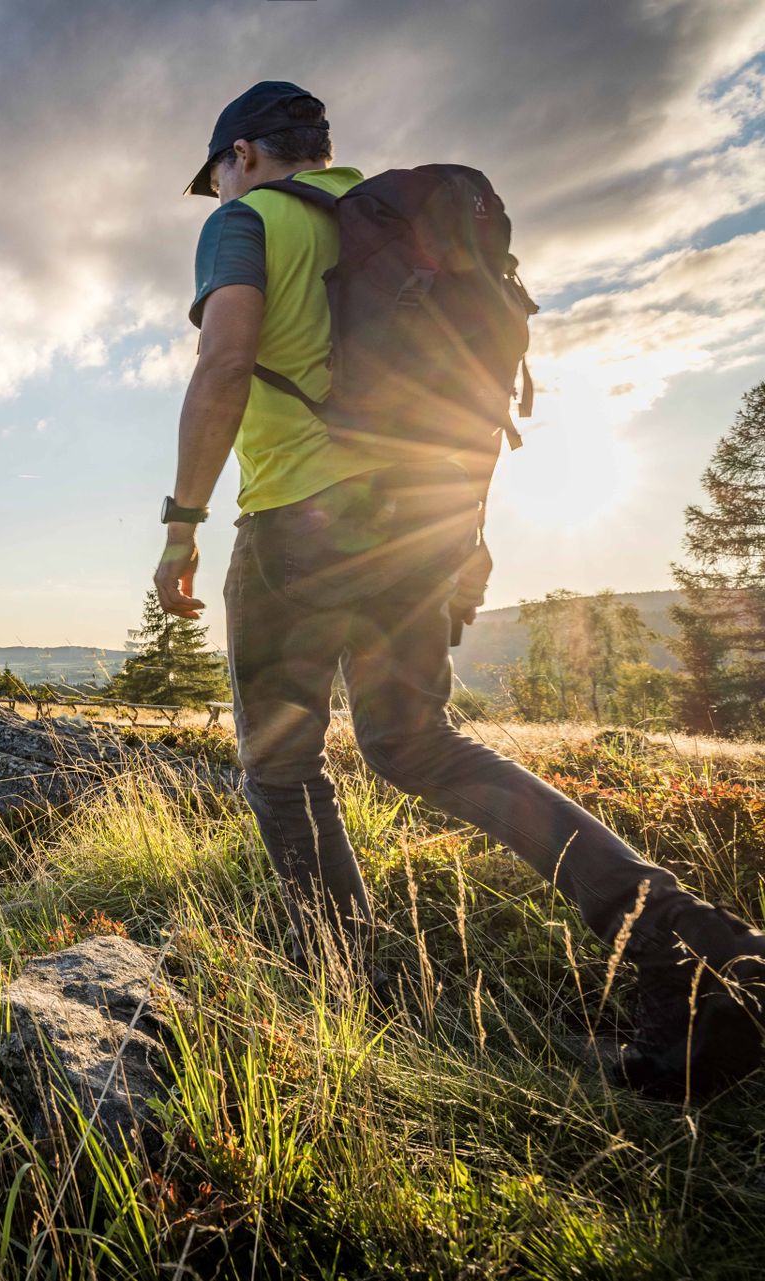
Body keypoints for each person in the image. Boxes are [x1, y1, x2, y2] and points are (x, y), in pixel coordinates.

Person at [153, 80, 765, 1099]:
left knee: (281, 767)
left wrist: (182, 522)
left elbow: (223, 366)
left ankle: (350, 997)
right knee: (416, 746)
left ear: (244, 154)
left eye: (215, 172)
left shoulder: (246, 223)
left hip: (299, 527)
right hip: (420, 529)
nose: (216, 189)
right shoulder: (402, 221)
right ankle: (700, 954)